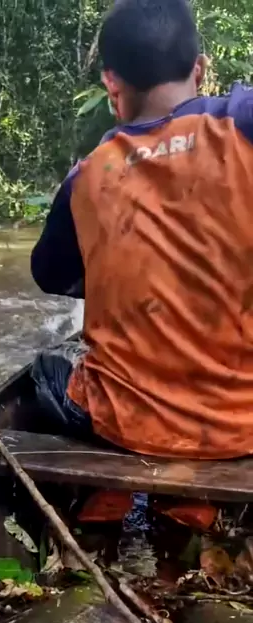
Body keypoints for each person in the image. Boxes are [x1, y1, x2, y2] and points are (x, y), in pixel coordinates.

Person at [30, 0, 253, 461]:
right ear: (199, 69)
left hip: (123, 426)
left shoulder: (87, 177)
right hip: (245, 429)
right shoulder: (242, 120)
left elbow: (51, 276)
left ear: (111, 84)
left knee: (46, 372)